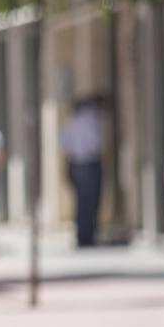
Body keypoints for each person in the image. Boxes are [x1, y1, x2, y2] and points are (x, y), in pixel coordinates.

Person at [60, 95, 105, 248]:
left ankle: (82, 236)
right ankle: (89, 236)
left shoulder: (71, 123)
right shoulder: (91, 122)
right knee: (91, 202)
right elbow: (96, 144)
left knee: (81, 202)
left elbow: (65, 146)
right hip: (90, 164)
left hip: (76, 164)